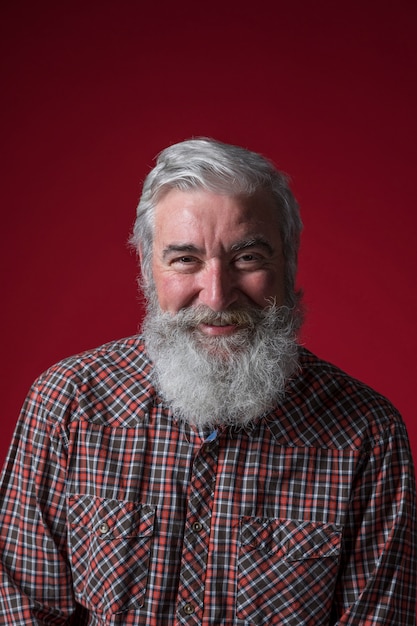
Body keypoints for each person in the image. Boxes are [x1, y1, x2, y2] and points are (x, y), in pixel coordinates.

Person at [0, 138, 415, 626]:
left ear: (289, 263)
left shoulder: (367, 434)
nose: (217, 295)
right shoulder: (67, 404)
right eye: (185, 260)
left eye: (247, 257)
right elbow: (23, 612)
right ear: (148, 270)